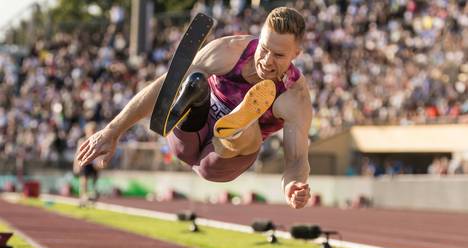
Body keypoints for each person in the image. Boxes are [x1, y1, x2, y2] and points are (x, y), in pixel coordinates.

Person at [77, 7, 312, 209]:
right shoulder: (230, 50)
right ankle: (196, 95)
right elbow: (163, 86)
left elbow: (297, 160)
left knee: (247, 133)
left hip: (221, 159)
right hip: (190, 135)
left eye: (279, 55)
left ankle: (237, 123)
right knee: (192, 80)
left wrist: (293, 185)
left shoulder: (294, 96)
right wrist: (112, 130)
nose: (267, 60)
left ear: (296, 54)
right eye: (264, 48)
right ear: (259, 38)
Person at [74, 122, 100, 205]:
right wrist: (76, 165)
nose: (92, 132)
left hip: (94, 163)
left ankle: (92, 198)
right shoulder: (82, 140)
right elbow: (78, 154)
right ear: (86, 131)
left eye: (94, 130)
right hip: (85, 163)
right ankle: (82, 199)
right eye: (90, 130)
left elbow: (100, 153)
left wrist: (99, 163)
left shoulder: (98, 140)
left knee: (94, 182)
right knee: (84, 181)